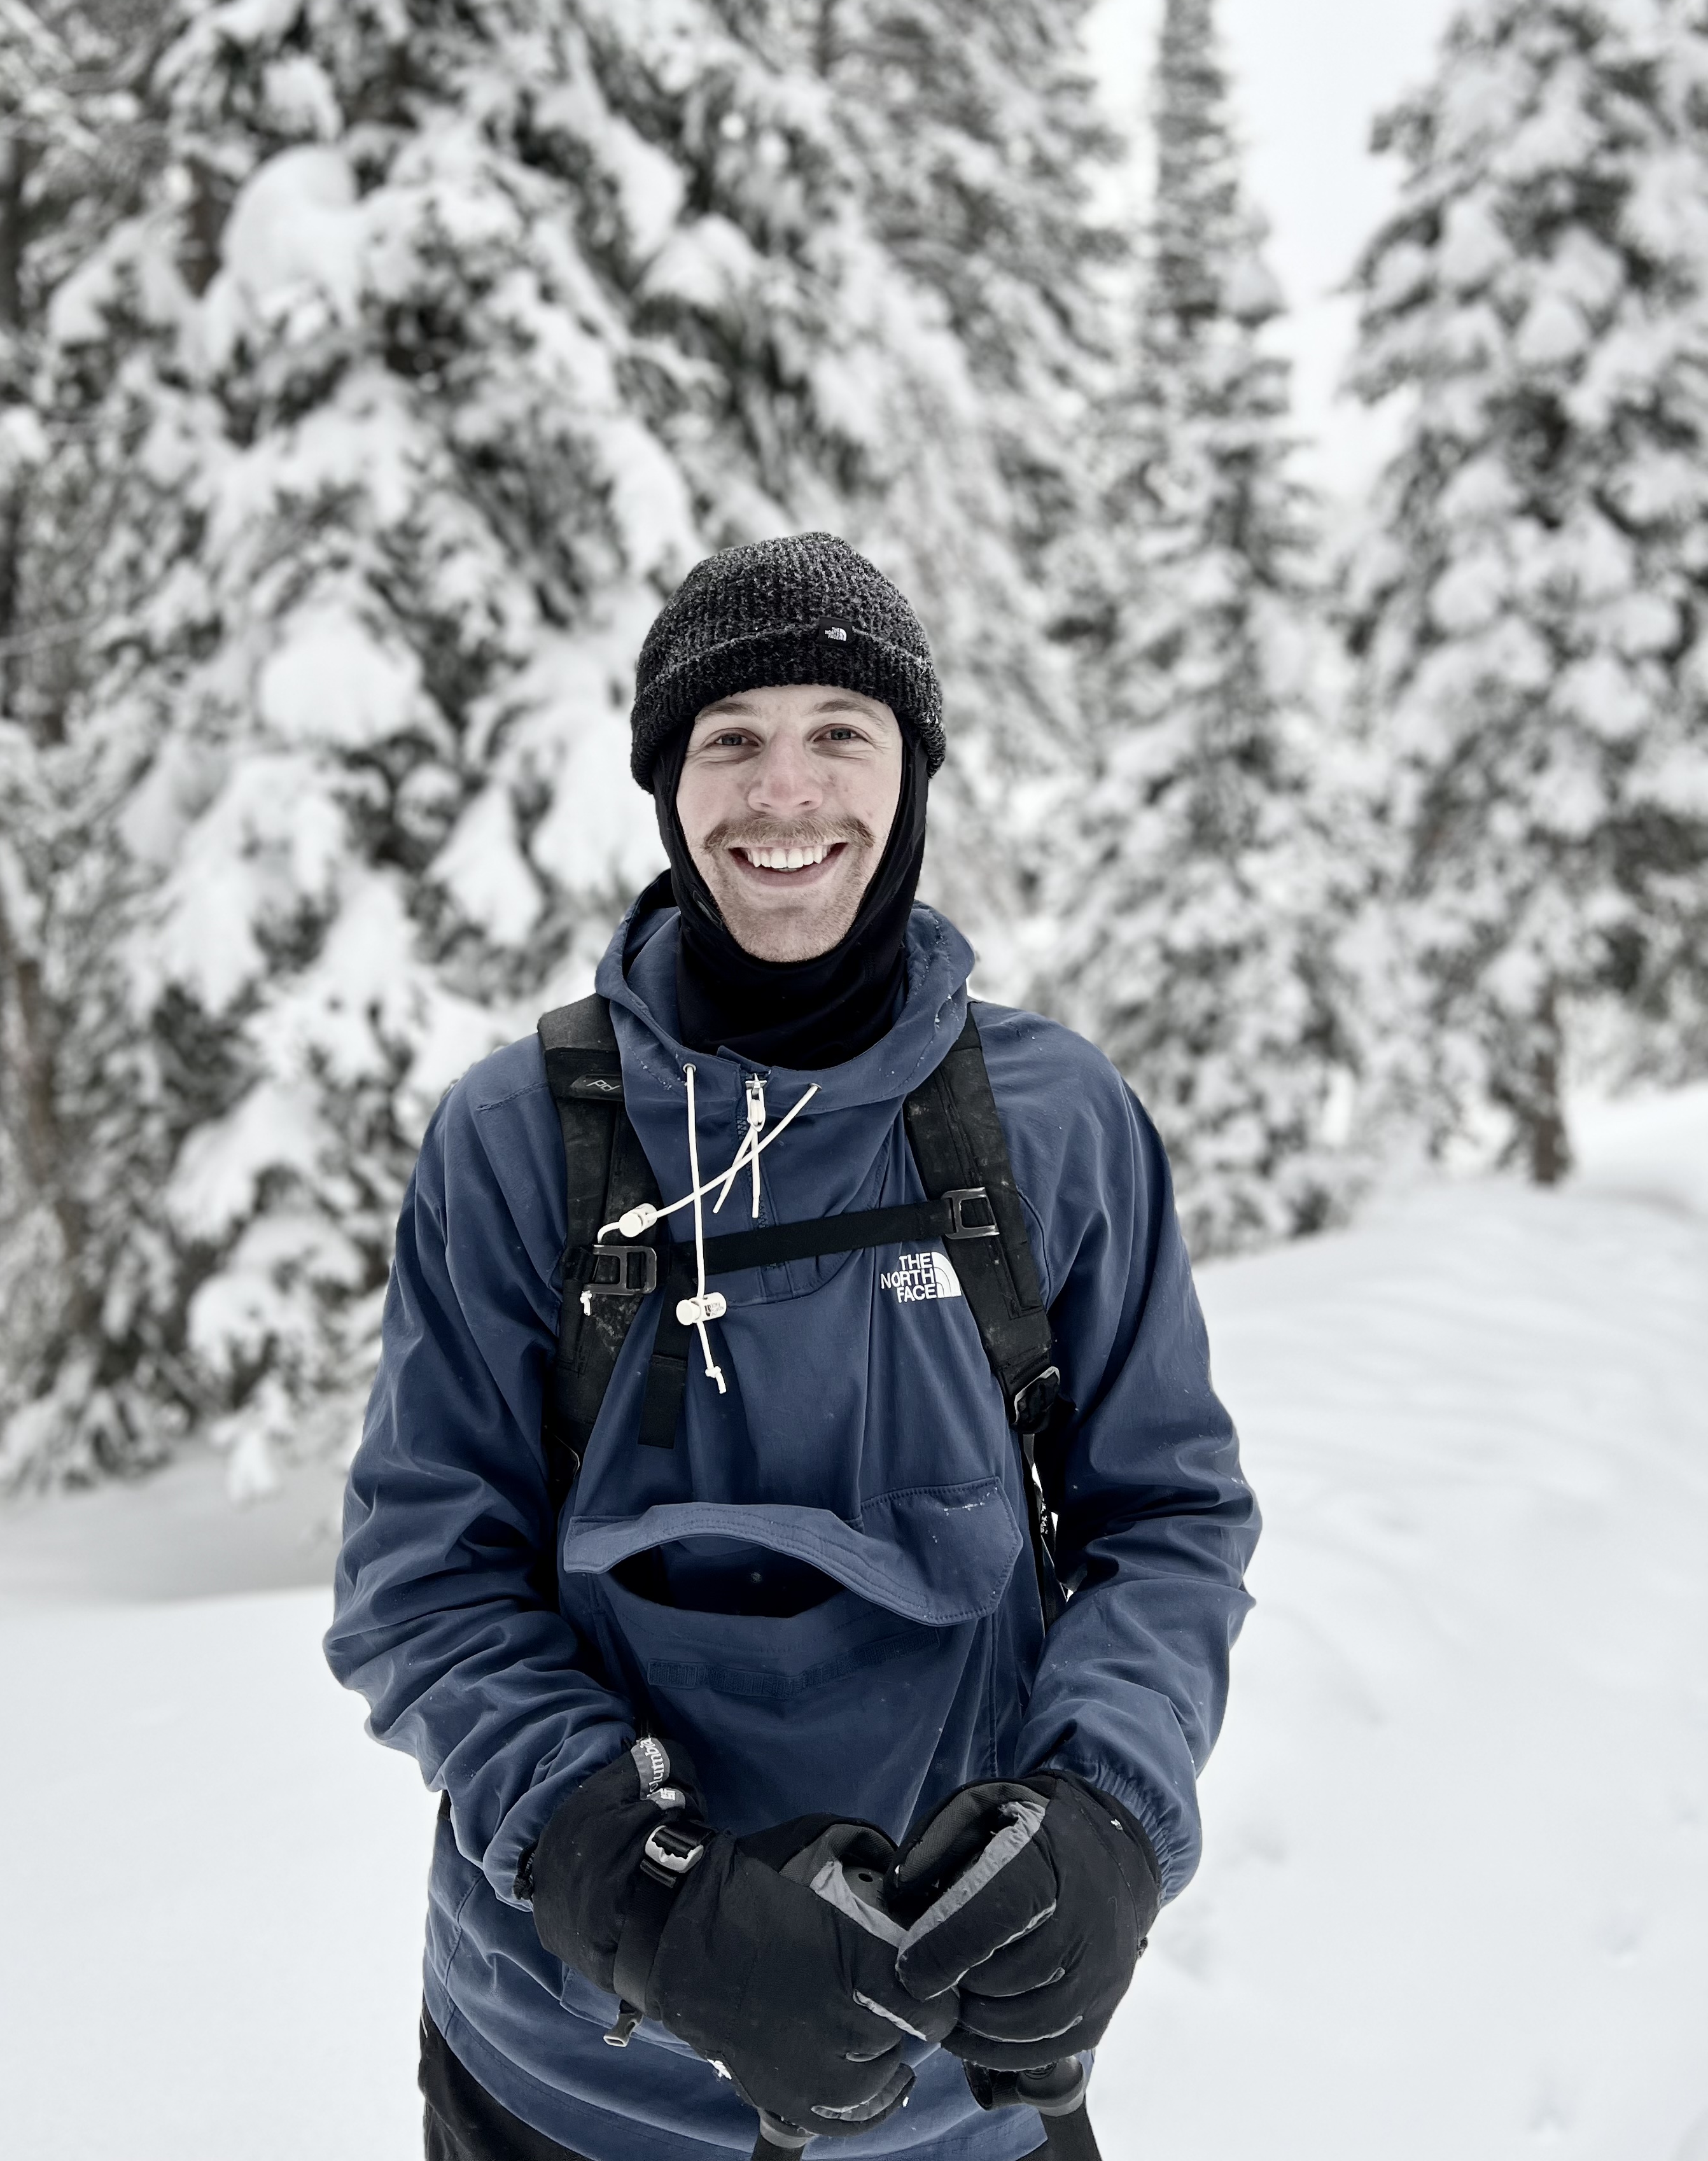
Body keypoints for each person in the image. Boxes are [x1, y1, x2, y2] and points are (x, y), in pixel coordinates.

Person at [326, 533, 1259, 2161]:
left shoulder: (1050, 1125)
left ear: (913, 775)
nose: (786, 794)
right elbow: (424, 1574)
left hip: (967, 2080)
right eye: (731, 739)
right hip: (570, 2082)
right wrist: (634, 1892)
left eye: (844, 730)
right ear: (666, 785)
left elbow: (1168, 1522)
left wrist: (1105, 1819)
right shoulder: (513, 1140)